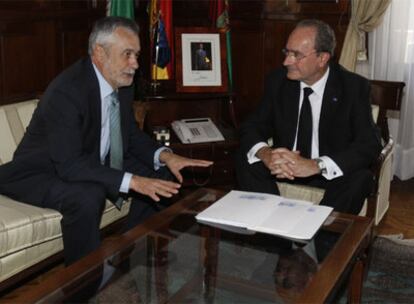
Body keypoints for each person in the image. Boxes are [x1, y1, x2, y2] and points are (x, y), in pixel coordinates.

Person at [0, 16, 212, 266]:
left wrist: (167, 156)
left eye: (137, 55)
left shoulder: (123, 84)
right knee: (89, 195)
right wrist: (134, 181)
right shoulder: (67, 91)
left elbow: (130, 135)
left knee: (162, 175)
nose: (134, 64)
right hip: (40, 172)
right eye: (127, 54)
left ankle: (125, 254)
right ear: (100, 53)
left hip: (86, 161)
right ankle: (82, 283)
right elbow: (69, 165)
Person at [236, 19, 382, 215]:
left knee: (360, 178)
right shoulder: (278, 81)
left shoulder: (353, 88)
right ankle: (275, 236)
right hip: (284, 167)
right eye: (287, 52)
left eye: (296, 55)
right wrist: (266, 154)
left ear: (322, 59)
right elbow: (252, 126)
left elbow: (369, 143)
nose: (286, 61)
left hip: (327, 171)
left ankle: (321, 239)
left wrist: (316, 165)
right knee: (246, 160)